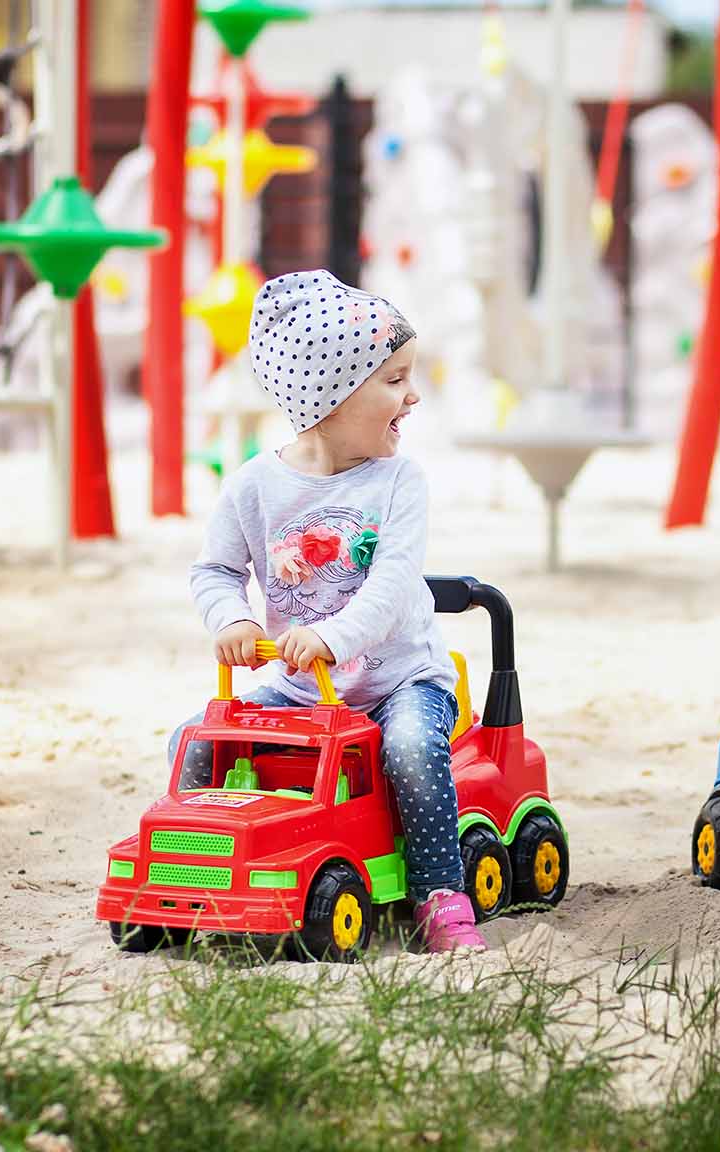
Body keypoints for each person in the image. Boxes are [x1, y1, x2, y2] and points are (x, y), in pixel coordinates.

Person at [174, 270, 484, 953]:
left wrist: (331, 635)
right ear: (331, 398)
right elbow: (215, 572)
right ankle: (200, 870)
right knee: (193, 740)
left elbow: (394, 585)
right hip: (298, 687)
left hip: (399, 682)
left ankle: (439, 892)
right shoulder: (254, 486)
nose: (413, 395)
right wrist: (232, 621)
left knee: (410, 748)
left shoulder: (399, 480)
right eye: (394, 380)